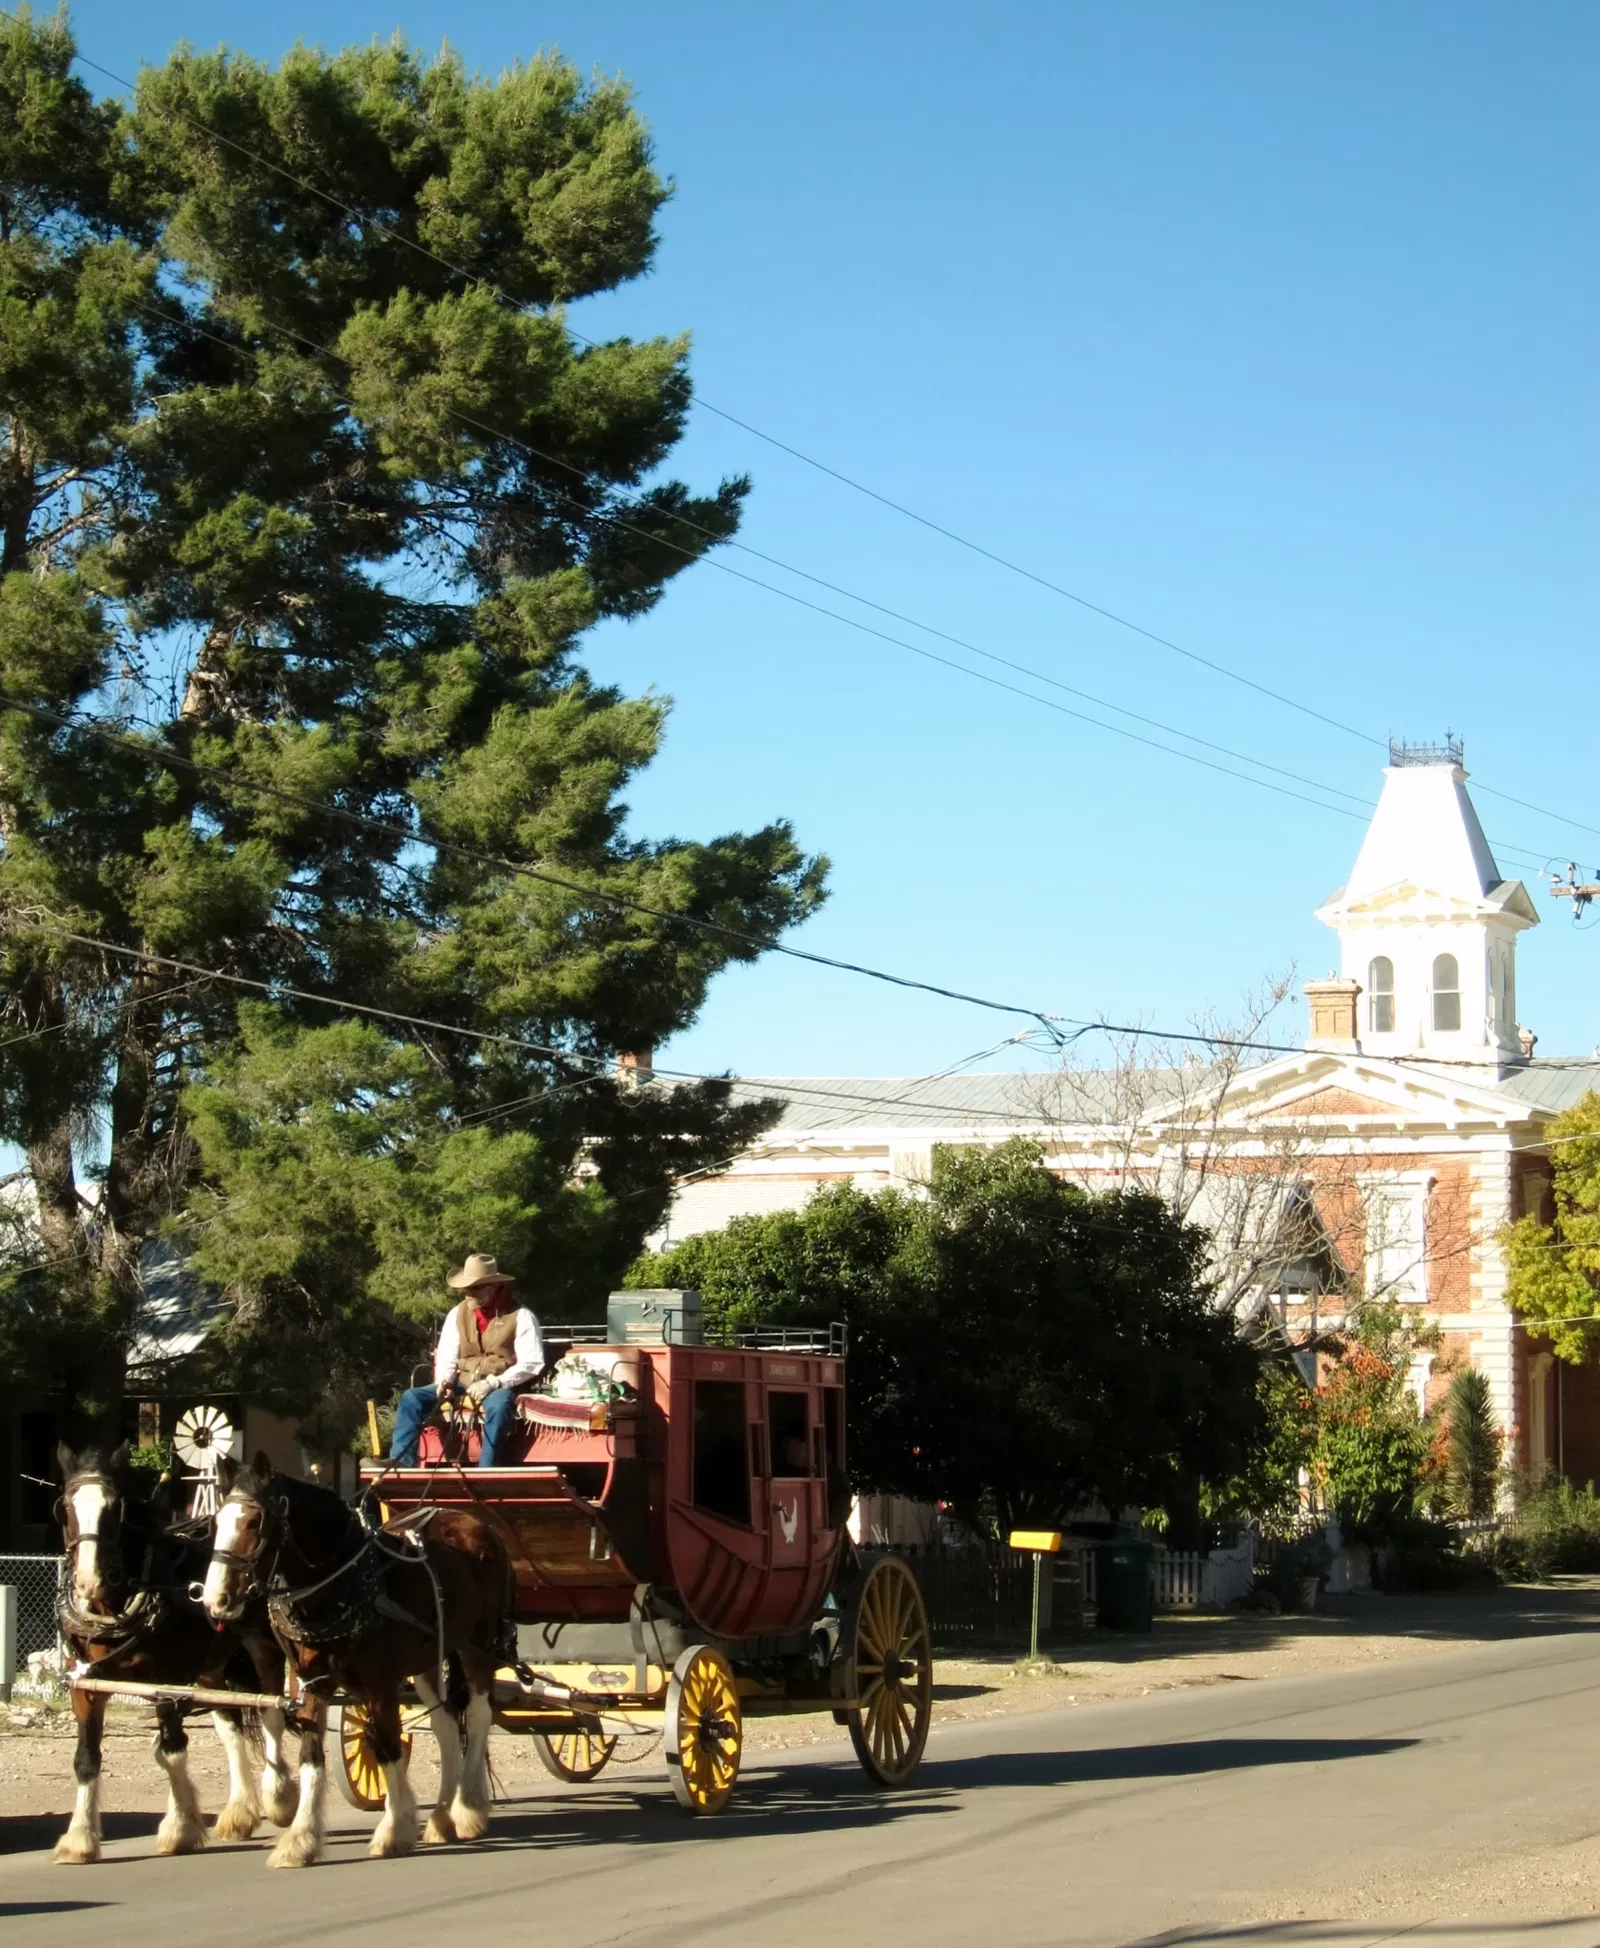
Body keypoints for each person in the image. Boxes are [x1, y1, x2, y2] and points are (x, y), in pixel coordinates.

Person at [390, 1255, 545, 1468]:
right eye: (466, 1289)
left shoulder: (521, 1316)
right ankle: (402, 1462)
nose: (467, 1294)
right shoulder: (457, 1313)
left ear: (493, 1287)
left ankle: (486, 1469)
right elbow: (447, 1354)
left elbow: (531, 1363)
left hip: (499, 1384)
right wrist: (444, 1382)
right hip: (461, 1382)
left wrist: (493, 1383)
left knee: (500, 1406)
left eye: (474, 1289)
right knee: (411, 1398)